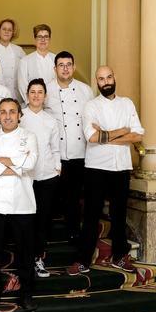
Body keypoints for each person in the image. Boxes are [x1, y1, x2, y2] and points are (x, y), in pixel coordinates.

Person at [67, 66, 144, 276]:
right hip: (96, 168)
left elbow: (138, 136)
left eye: (109, 77)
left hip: (121, 167)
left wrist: (106, 135)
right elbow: (92, 137)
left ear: (114, 77)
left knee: (119, 215)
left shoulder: (127, 103)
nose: (106, 81)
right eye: (101, 79)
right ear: (96, 82)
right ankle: (83, 260)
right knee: (91, 216)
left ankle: (119, 256)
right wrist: (122, 131)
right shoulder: (90, 106)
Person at [0, 98, 38, 311]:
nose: (7, 116)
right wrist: (16, 164)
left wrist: (1, 161)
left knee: (25, 253)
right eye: (3, 112)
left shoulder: (29, 136)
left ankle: (26, 295)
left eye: (12, 111)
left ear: (19, 115)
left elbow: (31, 163)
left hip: (23, 203)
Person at [44, 51, 94, 244]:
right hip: (54, 153)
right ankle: (46, 236)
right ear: (54, 68)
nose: (65, 68)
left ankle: (73, 233)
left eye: (68, 64)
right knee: (51, 197)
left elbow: (91, 120)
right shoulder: (45, 90)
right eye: (61, 64)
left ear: (73, 67)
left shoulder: (85, 90)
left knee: (74, 197)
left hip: (79, 152)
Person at [20, 79, 61, 278]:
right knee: (24, 220)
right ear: (27, 95)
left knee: (42, 220)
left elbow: (55, 148)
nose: (36, 95)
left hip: (47, 177)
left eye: (40, 92)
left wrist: (57, 167)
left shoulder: (51, 120)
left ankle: (38, 258)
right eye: (32, 92)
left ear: (45, 96)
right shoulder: (19, 116)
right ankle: (23, 259)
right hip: (24, 178)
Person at [0, 19, 26, 102]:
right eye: (4, 29)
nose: (6, 32)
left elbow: (24, 72)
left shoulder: (19, 50)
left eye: (9, 30)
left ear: (13, 33)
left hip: (15, 94)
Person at [17, 24, 56, 104]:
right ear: (35, 39)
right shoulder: (25, 61)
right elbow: (22, 86)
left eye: (46, 37)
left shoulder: (56, 59)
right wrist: (32, 104)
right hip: (33, 105)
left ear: (50, 39)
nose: (43, 40)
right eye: (39, 37)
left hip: (54, 104)